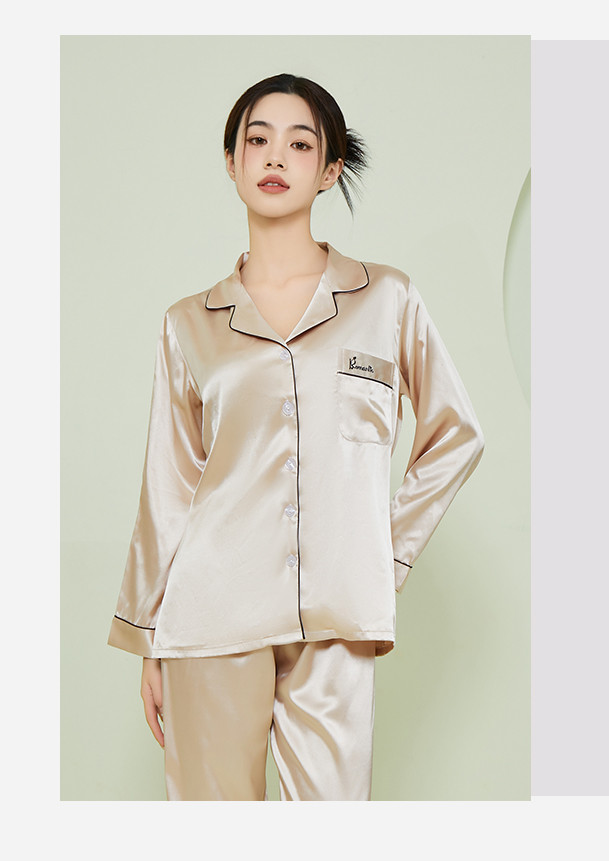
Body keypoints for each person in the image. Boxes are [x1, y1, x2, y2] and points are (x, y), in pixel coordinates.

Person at [107, 72, 485, 801]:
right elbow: (168, 486)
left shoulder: (386, 298)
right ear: (232, 162)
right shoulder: (188, 324)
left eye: (300, 144)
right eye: (257, 140)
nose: (276, 157)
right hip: (209, 615)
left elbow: (455, 434)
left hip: (339, 615)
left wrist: (387, 554)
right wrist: (150, 636)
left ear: (330, 168)